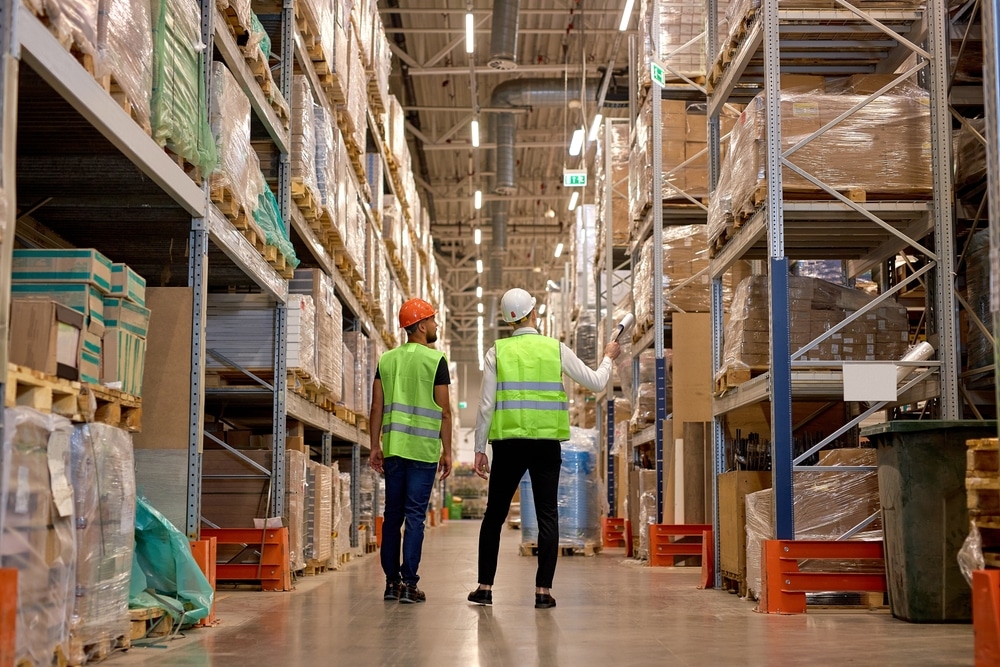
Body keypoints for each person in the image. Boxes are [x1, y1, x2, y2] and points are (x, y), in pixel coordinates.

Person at [468, 288, 620, 609]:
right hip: (546, 445)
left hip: (508, 445)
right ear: (533, 313)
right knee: (547, 515)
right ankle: (543, 592)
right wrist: (608, 356)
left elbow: (485, 406)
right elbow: (595, 382)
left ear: (508, 321)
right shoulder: (555, 349)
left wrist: (480, 449)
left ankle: (484, 587)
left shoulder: (497, 352)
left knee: (493, 516)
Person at [369, 298, 453, 604]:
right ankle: (409, 583)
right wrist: (448, 451)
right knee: (415, 517)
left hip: (393, 450)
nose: (435, 326)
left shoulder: (387, 360)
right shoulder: (435, 361)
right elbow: (444, 412)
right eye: (432, 320)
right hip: (422, 451)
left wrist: (374, 445)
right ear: (420, 326)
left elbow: (376, 405)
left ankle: (391, 584)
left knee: (392, 516)